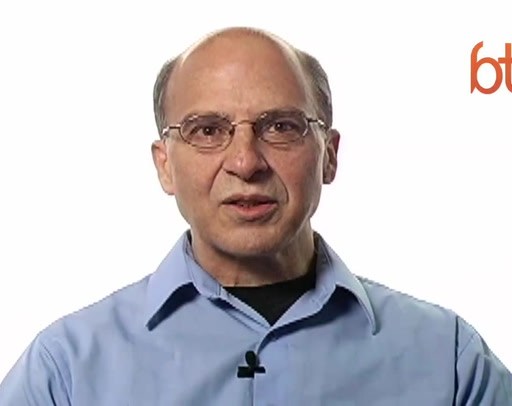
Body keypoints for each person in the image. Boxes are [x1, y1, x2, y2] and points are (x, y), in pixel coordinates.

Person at [0, 26, 511, 405]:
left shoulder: (450, 362)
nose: (245, 162)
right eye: (207, 130)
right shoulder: (63, 372)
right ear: (164, 165)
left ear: (329, 155)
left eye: (281, 127)